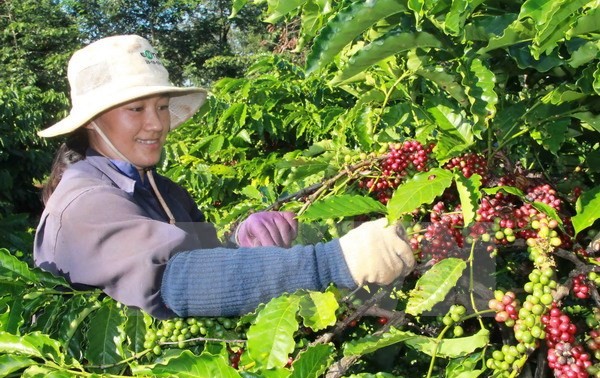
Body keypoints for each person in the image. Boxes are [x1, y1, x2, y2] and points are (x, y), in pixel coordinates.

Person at [34, 35, 415, 320]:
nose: (157, 124)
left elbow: (207, 269)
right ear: (92, 123)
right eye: (136, 109)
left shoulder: (166, 191)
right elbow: (178, 281)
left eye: (163, 108)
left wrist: (238, 243)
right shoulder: (84, 204)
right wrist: (330, 264)